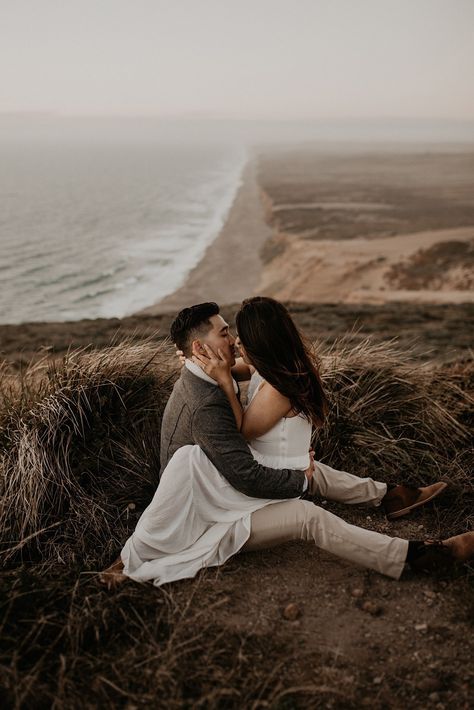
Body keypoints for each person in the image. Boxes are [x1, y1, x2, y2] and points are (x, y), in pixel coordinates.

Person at [101, 299, 473, 587]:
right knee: (308, 511)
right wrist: (300, 480)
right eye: (226, 334)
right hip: (206, 508)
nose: (233, 340)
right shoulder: (208, 404)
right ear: (202, 348)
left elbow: (238, 393)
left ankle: (389, 496)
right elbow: (247, 474)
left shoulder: (217, 374)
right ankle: (420, 557)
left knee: (303, 465)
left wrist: (209, 366)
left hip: (218, 479)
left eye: (235, 333)